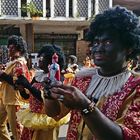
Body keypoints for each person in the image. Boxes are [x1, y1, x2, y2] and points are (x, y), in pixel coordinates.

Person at [44, 6, 140, 140]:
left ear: (129, 48)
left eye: (108, 42)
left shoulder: (136, 86)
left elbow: (128, 137)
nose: (98, 48)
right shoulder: (83, 79)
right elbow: (55, 113)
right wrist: (49, 95)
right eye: (96, 42)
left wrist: (85, 106)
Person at [15, 44, 69, 140]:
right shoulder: (38, 75)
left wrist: (27, 85)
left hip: (45, 119)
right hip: (32, 117)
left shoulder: (57, 77)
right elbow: (28, 96)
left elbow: (44, 98)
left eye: (42, 57)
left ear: (50, 60)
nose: (39, 59)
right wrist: (22, 89)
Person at [0, 35, 31, 140]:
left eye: (12, 48)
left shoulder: (19, 63)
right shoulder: (12, 62)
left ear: (19, 49)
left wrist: (2, 75)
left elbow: (18, 83)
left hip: (14, 100)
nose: (9, 50)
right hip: (5, 98)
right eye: (9, 47)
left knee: (17, 131)